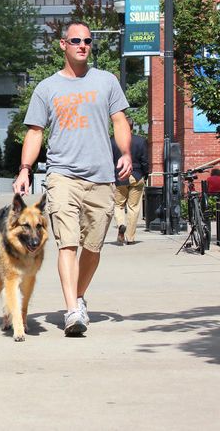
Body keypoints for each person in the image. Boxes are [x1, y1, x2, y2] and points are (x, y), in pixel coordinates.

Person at [13, 20, 132, 337]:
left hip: (101, 178)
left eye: (88, 40)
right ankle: (72, 312)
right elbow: (35, 132)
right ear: (63, 44)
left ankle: (78, 296)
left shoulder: (106, 81)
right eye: (76, 40)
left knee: (92, 247)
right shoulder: (47, 88)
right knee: (68, 243)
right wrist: (25, 168)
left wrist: (126, 152)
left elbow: (119, 120)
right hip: (62, 176)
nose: (83, 45)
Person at [111, 117, 149, 245]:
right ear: (132, 126)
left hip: (120, 176)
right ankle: (131, 237)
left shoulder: (112, 141)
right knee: (133, 207)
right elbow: (145, 160)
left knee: (118, 205)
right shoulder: (141, 141)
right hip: (136, 175)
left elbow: (109, 161)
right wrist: (146, 174)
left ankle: (121, 224)